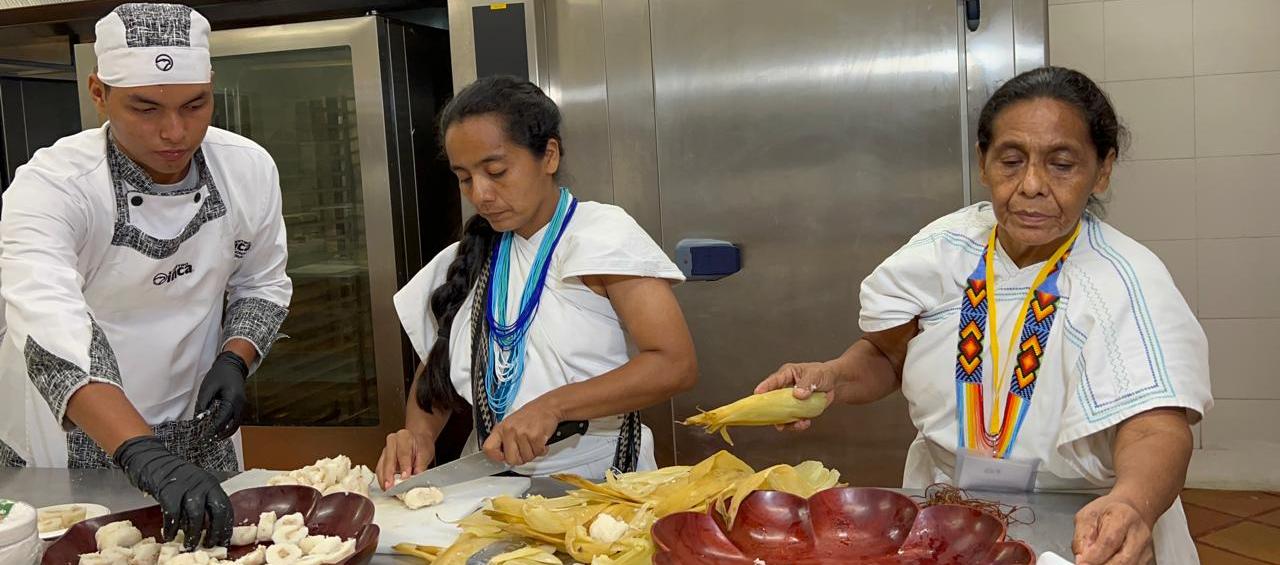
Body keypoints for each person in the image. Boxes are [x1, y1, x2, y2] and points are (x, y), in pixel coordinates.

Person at [755, 67, 1209, 565]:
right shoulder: (943, 249)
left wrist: (1131, 504)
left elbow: (1156, 427)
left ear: (1102, 170)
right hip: (943, 517)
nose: (1032, 185)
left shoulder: (1127, 279)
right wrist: (832, 378)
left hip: (1088, 522)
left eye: (1062, 164)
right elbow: (890, 357)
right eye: (1011, 161)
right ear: (983, 162)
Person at [0, 3, 291, 549]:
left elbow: (262, 284)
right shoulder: (53, 187)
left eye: (194, 104)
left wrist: (235, 357)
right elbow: (50, 324)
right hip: (73, 425)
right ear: (98, 92)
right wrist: (141, 451)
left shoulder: (247, 168)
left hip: (196, 413)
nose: (175, 131)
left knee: (218, 552)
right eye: (146, 108)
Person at [377, 76, 697, 487]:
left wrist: (554, 407)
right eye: (464, 177)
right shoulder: (469, 255)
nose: (481, 194)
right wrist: (416, 437)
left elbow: (674, 364)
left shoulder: (604, 236)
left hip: (603, 484)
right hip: (488, 487)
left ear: (548, 156)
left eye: (496, 171)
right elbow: (437, 368)